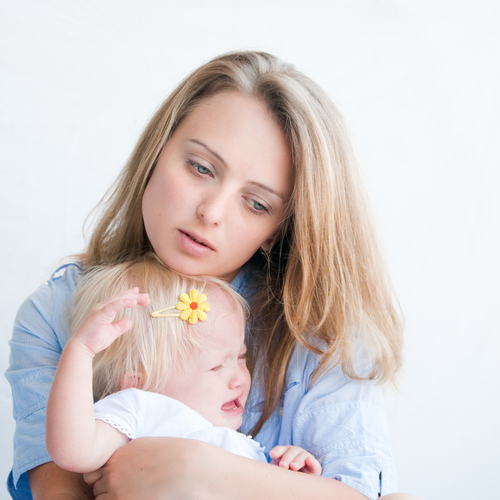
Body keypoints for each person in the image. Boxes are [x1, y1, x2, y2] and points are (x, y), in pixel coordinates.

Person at [6, 50, 423, 500]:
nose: (211, 212)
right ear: (156, 152)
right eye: (201, 168)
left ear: (277, 231)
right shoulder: (56, 314)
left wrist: (202, 472)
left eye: (257, 203)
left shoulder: (319, 332)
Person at [45, 257, 321, 475]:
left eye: (241, 357)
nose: (239, 379)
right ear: (139, 384)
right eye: (215, 367)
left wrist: (289, 473)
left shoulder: (237, 443)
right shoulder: (142, 408)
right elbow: (73, 450)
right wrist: (81, 352)